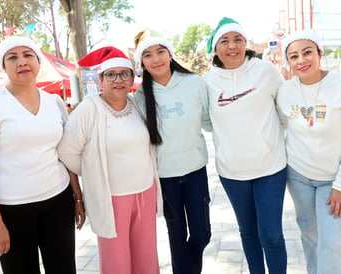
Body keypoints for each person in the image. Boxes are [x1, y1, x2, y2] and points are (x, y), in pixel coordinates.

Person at [0, 36, 85, 274]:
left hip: (58, 202)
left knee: (64, 269)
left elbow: (65, 153)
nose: (22, 62)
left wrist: (77, 197)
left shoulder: (55, 102)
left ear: (38, 62)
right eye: (12, 57)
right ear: (4, 66)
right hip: (10, 210)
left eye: (28, 55)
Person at [57, 46, 163, 274]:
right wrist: (94, 173)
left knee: (146, 257)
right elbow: (67, 152)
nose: (118, 80)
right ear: (100, 78)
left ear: (132, 77)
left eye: (124, 73)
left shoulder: (135, 104)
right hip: (111, 198)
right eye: (111, 74)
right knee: (117, 263)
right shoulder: (90, 108)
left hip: (145, 191)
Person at [276, 29, 341, 274]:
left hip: (333, 179)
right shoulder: (285, 91)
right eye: (294, 56)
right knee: (309, 235)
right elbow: (278, 126)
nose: (301, 60)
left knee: (332, 241)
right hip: (298, 177)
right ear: (288, 62)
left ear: (319, 53)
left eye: (307, 52)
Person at [202, 17, 287, 274]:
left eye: (237, 39)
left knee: (270, 234)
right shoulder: (207, 81)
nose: (232, 46)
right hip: (232, 172)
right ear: (215, 49)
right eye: (224, 41)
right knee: (248, 231)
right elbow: (207, 121)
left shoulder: (265, 70)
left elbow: (283, 112)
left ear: (246, 43)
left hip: (270, 168)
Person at [133, 29, 212, 274]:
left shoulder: (195, 83)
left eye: (160, 51)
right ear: (142, 63)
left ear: (170, 54)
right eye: (147, 55)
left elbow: (210, 121)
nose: (156, 59)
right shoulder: (140, 96)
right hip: (165, 178)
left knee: (201, 234)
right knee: (177, 237)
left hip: (195, 171)